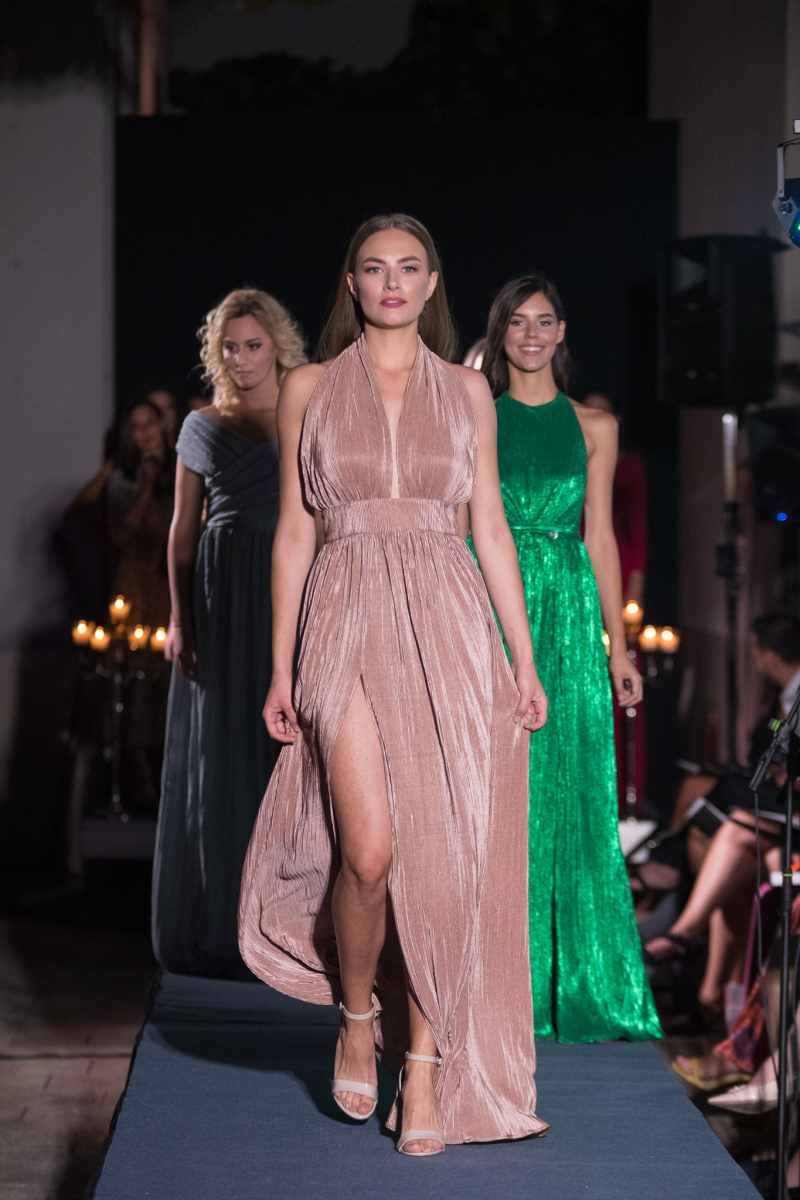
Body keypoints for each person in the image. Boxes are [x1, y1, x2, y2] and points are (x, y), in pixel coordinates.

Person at [238, 214, 550, 1156]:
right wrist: (280, 664)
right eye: (374, 268)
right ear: (352, 283)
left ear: (431, 283)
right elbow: (295, 531)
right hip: (344, 617)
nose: (391, 283)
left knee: (438, 861)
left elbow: (488, 527)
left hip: (450, 627)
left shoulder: (468, 390)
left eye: (409, 268)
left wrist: (523, 659)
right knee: (368, 852)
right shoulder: (307, 387)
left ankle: (423, 1063)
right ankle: (357, 1014)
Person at [480, 274, 661, 1043]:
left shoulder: (595, 426)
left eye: (543, 321)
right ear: (499, 334)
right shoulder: (474, 414)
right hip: (489, 600)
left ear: (561, 333)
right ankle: (493, 979)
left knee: (571, 783)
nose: (531, 334)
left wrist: (619, 647)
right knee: (496, 788)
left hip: (569, 605)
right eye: (517, 322)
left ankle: (576, 980)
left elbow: (603, 538)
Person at [152, 288, 306, 976]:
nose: (242, 359)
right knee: (221, 750)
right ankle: (223, 922)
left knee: (290, 751)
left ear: (277, 345)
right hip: (221, 593)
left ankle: (291, 924)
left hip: (291, 585)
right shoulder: (201, 425)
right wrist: (179, 618)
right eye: (230, 347)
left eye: (253, 345)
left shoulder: (307, 411)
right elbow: (181, 531)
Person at [584, 389, 648, 814]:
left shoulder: (629, 466)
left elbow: (637, 534)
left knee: (620, 685)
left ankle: (624, 791)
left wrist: (631, 602)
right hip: (574, 566)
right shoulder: (571, 452)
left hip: (615, 569)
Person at [107, 399, 174, 627]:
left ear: (161, 424)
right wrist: (146, 489)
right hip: (135, 570)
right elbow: (121, 532)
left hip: (173, 570)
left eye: (150, 423)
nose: (145, 432)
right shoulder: (122, 478)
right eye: (137, 426)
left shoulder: (183, 468)